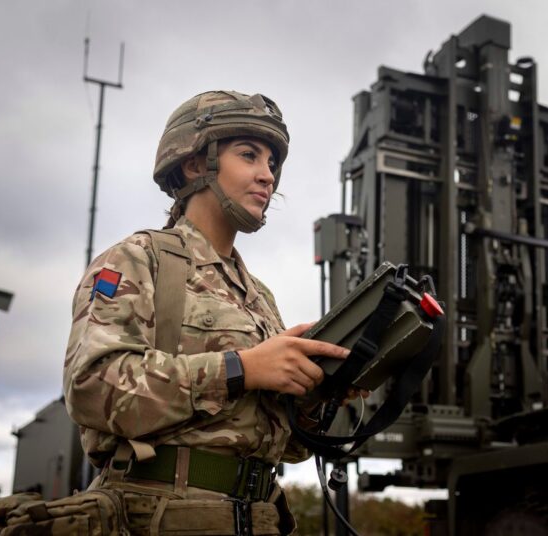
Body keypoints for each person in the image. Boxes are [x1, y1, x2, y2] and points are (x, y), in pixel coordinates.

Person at [63, 90, 349, 535]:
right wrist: (240, 369)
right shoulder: (138, 260)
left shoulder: (258, 297)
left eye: (272, 163)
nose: (267, 176)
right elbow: (91, 387)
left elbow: (285, 447)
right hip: (161, 517)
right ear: (196, 163)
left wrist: (315, 394)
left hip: (262, 518)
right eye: (249, 155)